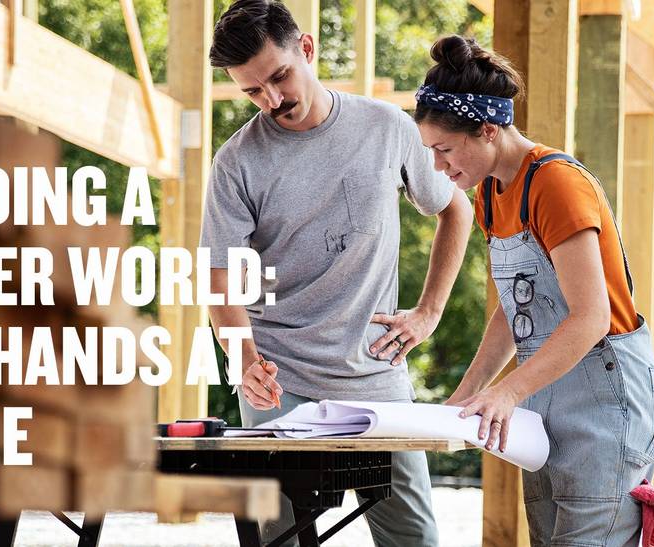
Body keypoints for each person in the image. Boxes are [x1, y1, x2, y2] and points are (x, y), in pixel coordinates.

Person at [200, 2, 473, 545]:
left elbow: (455, 209)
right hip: (279, 381)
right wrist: (245, 359)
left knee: (414, 538)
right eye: (253, 92)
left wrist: (429, 313)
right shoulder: (236, 162)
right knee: (276, 537)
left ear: (306, 49)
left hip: (377, 373)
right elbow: (218, 276)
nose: (274, 100)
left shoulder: (388, 128)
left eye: (279, 77)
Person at [414, 35, 654, 546]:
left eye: (443, 150)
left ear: (487, 131)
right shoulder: (490, 192)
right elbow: (516, 306)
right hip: (547, 400)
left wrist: (507, 391)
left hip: (604, 398)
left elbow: (590, 317)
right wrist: (465, 399)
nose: (438, 167)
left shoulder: (555, 184)